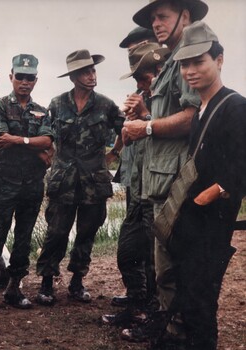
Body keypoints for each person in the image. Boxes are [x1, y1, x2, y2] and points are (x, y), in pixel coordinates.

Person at [121, 0, 206, 344]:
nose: (156, 24)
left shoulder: (188, 58)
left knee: (174, 268)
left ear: (185, 16)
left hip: (177, 182)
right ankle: (170, 330)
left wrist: (147, 127)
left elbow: (193, 116)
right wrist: (145, 114)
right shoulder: (172, 61)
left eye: (162, 16)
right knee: (164, 268)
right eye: (153, 18)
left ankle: (176, 334)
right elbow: (170, 113)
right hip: (162, 181)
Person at [169, 21, 246, 350]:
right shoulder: (200, 111)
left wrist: (209, 195)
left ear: (219, 60)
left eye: (198, 61)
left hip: (214, 218)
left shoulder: (235, 107)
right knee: (188, 293)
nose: (190, 71)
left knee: (202, 300)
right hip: (194, 217)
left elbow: (240, 167)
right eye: (185, 64)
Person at [35, 49, 125, 306]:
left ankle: (77, 281)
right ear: (73, 77)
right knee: (56, 232)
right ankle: (46, 282)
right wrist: (47, 154)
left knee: (87, 232)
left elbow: (126, 129)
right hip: (63, 180)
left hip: (93, 181)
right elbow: (45, 134)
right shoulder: (56, 104)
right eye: (85, 71)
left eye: (93, 70)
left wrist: (114, 153)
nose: (91, 75)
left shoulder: (106, 105)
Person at [0, 54, 53, 310]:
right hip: (5, 180)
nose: (25, 82)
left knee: (24, 237)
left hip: (32, 183)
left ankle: (14, 288)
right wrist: (34, 145)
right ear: (11, 77)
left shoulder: (41, 110)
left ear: (36, 80)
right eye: (20, 77)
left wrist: (20, 141)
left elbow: (48, 141)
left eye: (30, 78)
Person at [102, 42, 169, 326]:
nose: (140, 84)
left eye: (144, 77)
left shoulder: (168, 101)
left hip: (157, 192)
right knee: (128, 251)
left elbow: (174, 137)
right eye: (137, 79)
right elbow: (131, 139)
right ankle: (137, 299)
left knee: (157, 261)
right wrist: (126, 131)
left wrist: (144, 116)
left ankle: (154, 317)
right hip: (136, 188)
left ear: (160, 71)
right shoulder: (141, 98)